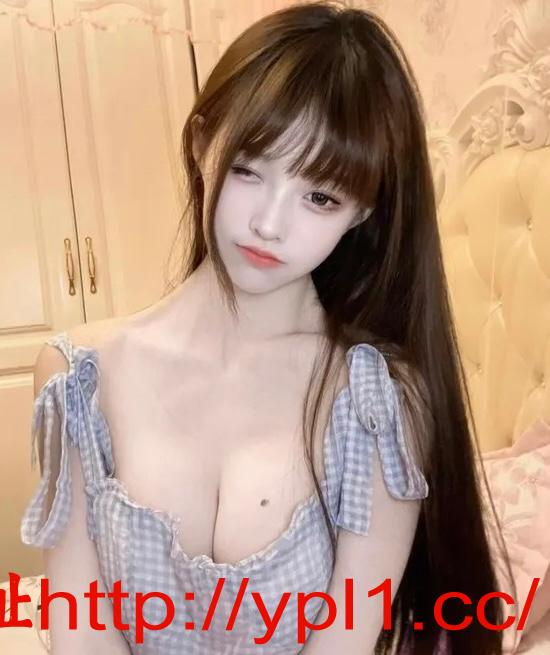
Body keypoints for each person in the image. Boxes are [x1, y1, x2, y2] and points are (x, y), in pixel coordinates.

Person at [20, 2, 513, 654]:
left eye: (321, 196)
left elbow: (344, 641)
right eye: (249, 169)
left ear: (362, 211)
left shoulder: (375, 403)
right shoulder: (79, 377)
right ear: (203, 146)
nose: (270, 224)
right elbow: (79, 629)